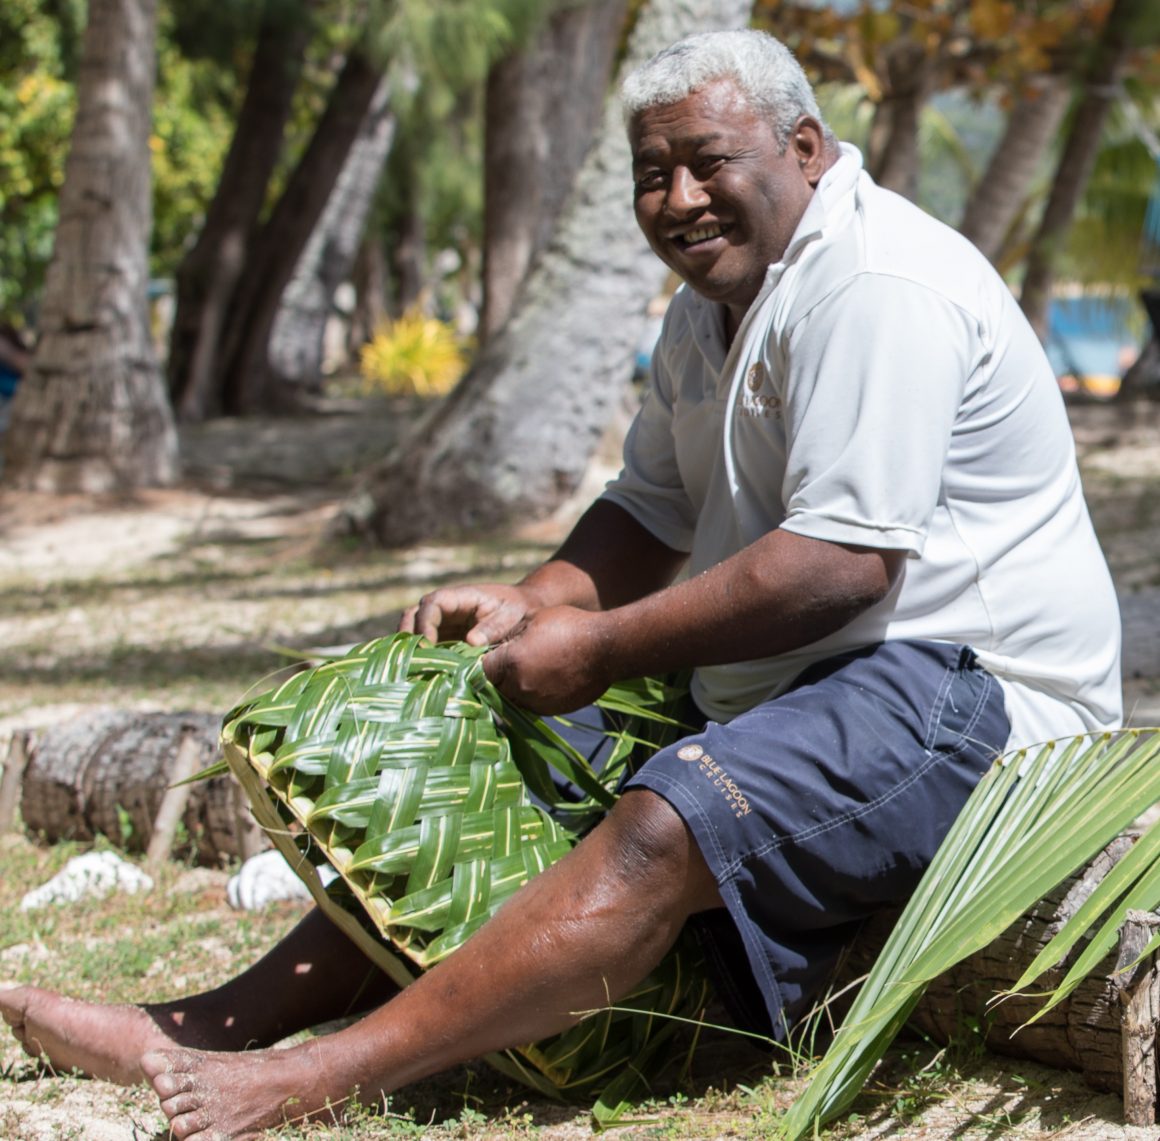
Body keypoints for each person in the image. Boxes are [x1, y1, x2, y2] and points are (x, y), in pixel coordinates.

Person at [0, 28, 1121, 1141]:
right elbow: (647, 508)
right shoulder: (710, 304)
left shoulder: (874, 285)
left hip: (979, 695)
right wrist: (534, 604)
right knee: (509, 767)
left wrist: (595, 649)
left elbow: (840, 565)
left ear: (805, 149)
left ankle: (315, 1079)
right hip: (829, 673)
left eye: (708, 162)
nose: (679, 198)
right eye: (650, 174)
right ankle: (203, 1023)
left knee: (664, 818)